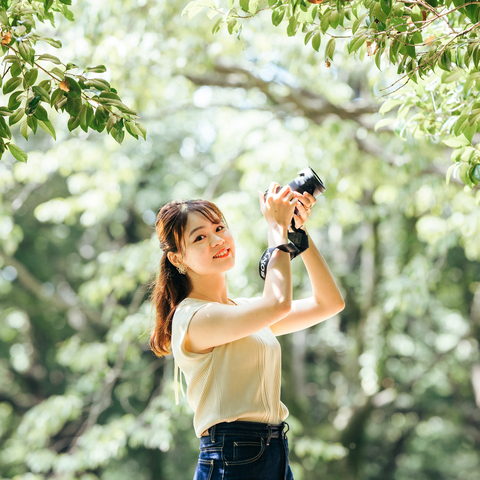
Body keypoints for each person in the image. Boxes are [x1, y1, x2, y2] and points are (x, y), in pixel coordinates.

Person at [150, 182, 345, 480]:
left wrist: (297, 235)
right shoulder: (193, 317)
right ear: (177, 258)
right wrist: (276, 229)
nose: (217, 240)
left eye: (219, 228)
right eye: (200, 237)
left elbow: (328, 303)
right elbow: (277, 304)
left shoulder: (240, 310)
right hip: (233, 459)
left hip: (274, 453)